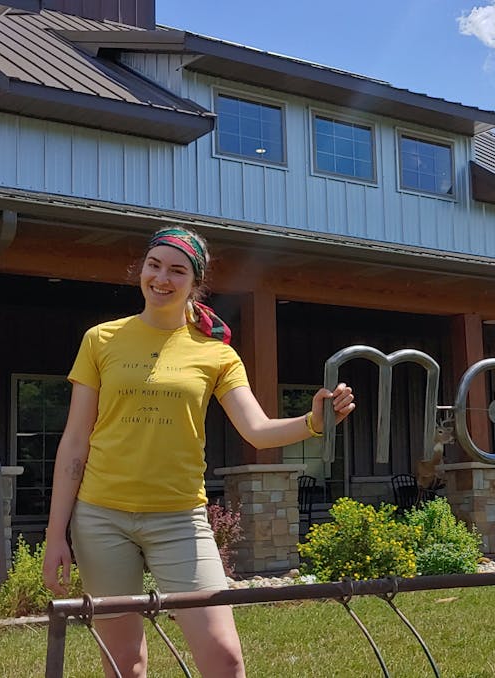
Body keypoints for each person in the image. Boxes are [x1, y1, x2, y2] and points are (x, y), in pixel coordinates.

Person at [41, 226, 355, 678]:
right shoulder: (101, 339)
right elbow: (74, 442)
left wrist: (313, 422)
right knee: (124, 664)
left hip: (179, 519)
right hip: (100, 517)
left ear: (195, 282)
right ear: (141, 270)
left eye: (177, 270)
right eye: (154, 266)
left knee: (225, 660)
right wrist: (56, 534)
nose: (161, 278)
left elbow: (258, 429)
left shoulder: (216, 354)